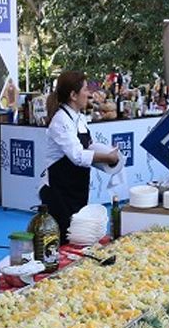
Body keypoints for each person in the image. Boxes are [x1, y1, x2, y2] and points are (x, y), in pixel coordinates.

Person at [39, 70, 120, 238]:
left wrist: (106, 150)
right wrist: (107, 157)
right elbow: (77, 156)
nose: (89, 94)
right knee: (62, 236)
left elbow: (88, 146)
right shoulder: (61, 120)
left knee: (78, 235)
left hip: (77, 186)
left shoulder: (79, 117)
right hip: (59, 191)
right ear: (73, 95)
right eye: (85, 89)